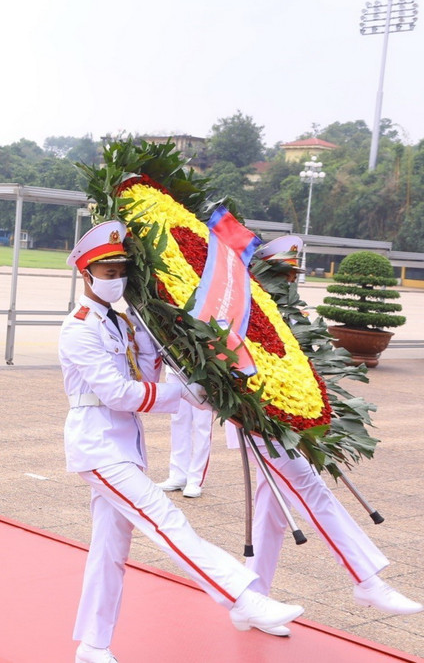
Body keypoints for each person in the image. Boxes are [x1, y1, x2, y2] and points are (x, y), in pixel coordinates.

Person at [59, 220, 304, 663]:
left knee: (110, 550)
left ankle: (92, 645)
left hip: (124, 447)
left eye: (121, 271)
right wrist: (182, 393)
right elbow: (119, 394)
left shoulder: (125, 322)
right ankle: (242, 595)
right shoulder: (79, 327)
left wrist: (174, 343)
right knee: (166, 520)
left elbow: (147, 373)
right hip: (96, 445)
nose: (116, 279)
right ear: (86, 274)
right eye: (107, 272)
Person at [224, 234, 423, 635]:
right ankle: (367, 579)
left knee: (271, 514)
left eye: (294, 273)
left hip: (289, 422)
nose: (290, 280)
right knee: (310, 489)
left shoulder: (284, 310)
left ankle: (250, 601)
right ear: (261, 271)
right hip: (261, 422)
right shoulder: (242, 307)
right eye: (283, 272)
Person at [154, 400, 213, 498]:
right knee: (178, 420)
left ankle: (195, 479)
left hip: (203, 385)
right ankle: (178, 475)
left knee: (202, 425)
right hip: (179, 384)